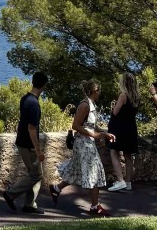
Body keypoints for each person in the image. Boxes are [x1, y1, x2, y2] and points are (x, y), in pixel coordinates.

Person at [50, 79, 114, 217]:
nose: (100, 93)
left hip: (88, 142)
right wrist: (95, 135)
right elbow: (76, 126)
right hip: (84, 144)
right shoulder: (84, 105)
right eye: (99, 91)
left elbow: (92, 125)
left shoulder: (92, 105)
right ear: (95, 91)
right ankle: (95, 206)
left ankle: (56, 188)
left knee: (76, 170)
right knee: (94, 172)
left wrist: (105, 133)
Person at [3, 71, 49, 215]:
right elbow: (31, 129)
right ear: (44, 86)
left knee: (33, 174)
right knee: (36, 175)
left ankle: (29, 204)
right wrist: (38, 150)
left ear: (32, 82)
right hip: (28, 145)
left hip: (21, 141)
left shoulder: (25, 98)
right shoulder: (34, 104)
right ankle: (11, 193)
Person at [106, 72, 141, 192]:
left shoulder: (123, 96)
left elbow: (115, 112)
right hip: (131, 127)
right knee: (128, 155)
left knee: (114, 152)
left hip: (120, 127)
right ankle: (128, 181)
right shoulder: (137, 97)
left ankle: (120, 180)